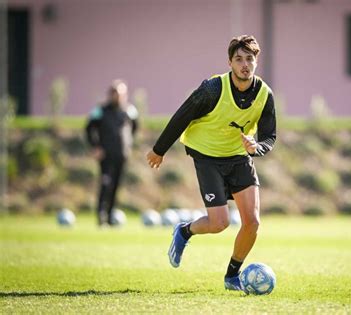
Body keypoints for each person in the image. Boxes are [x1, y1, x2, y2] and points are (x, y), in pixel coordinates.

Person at [146, 35, 276, 291]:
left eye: (249, 59)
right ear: (229, 62)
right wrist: (159, 150)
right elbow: (182, 115)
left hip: (239, 157)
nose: (244, 64)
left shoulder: (264, 94)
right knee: (219, 223)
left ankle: (231, 277)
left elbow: (270, 136)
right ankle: (184, 232)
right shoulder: (213, 88)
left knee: (253, 223)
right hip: (207, 156)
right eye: (238, 59)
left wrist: (256, 147)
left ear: (256, 62)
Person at [86, 80, 139, 226]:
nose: (118, 96)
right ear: (110, 94)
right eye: (115, 93)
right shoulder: (101, 110)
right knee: (105, 185)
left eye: (121, 93)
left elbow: (135, 127)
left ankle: (110, 217)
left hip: (122, 155)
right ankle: (101, 217)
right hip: (106, 156)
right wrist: (95, 146)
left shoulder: (129, 110)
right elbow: (89, 128)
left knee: (116, 186)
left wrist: (128, 144)